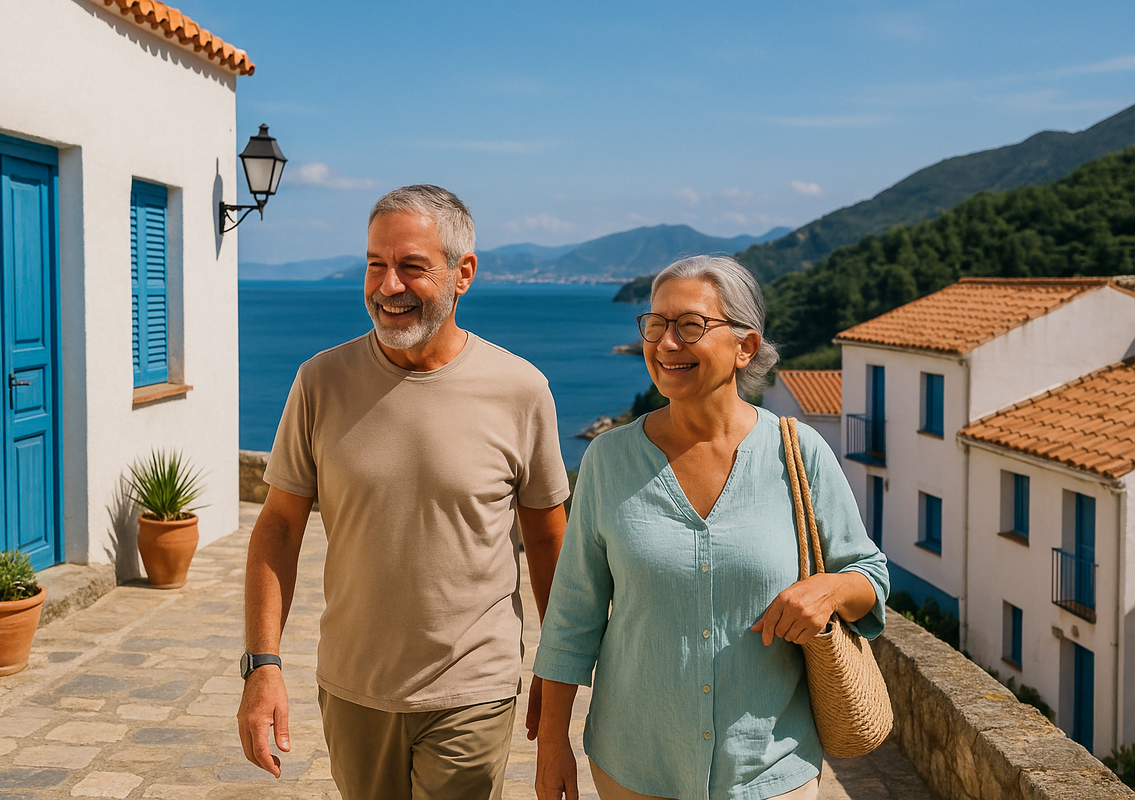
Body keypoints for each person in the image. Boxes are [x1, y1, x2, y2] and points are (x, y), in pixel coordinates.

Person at [237, 185, 570, 800]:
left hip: (474, 684)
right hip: (353, 685)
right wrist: (262, 667)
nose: (388, 286)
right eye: (375, 264)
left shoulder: (521, 389)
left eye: (412, 267)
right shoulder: (320, 381)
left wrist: (558, 664)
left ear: (462, 273)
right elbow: (279, 527)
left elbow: (549, 537)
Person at [533, 255, 889, 800]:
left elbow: (871, 575)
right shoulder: (609, 460)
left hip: (771, 771)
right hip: (635, 765)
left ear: (745, 346)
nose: (666, 343)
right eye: (655, 325)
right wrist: (552, 741)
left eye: (690, 326)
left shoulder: (799, 453)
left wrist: (832, 588)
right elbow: (572, 615)